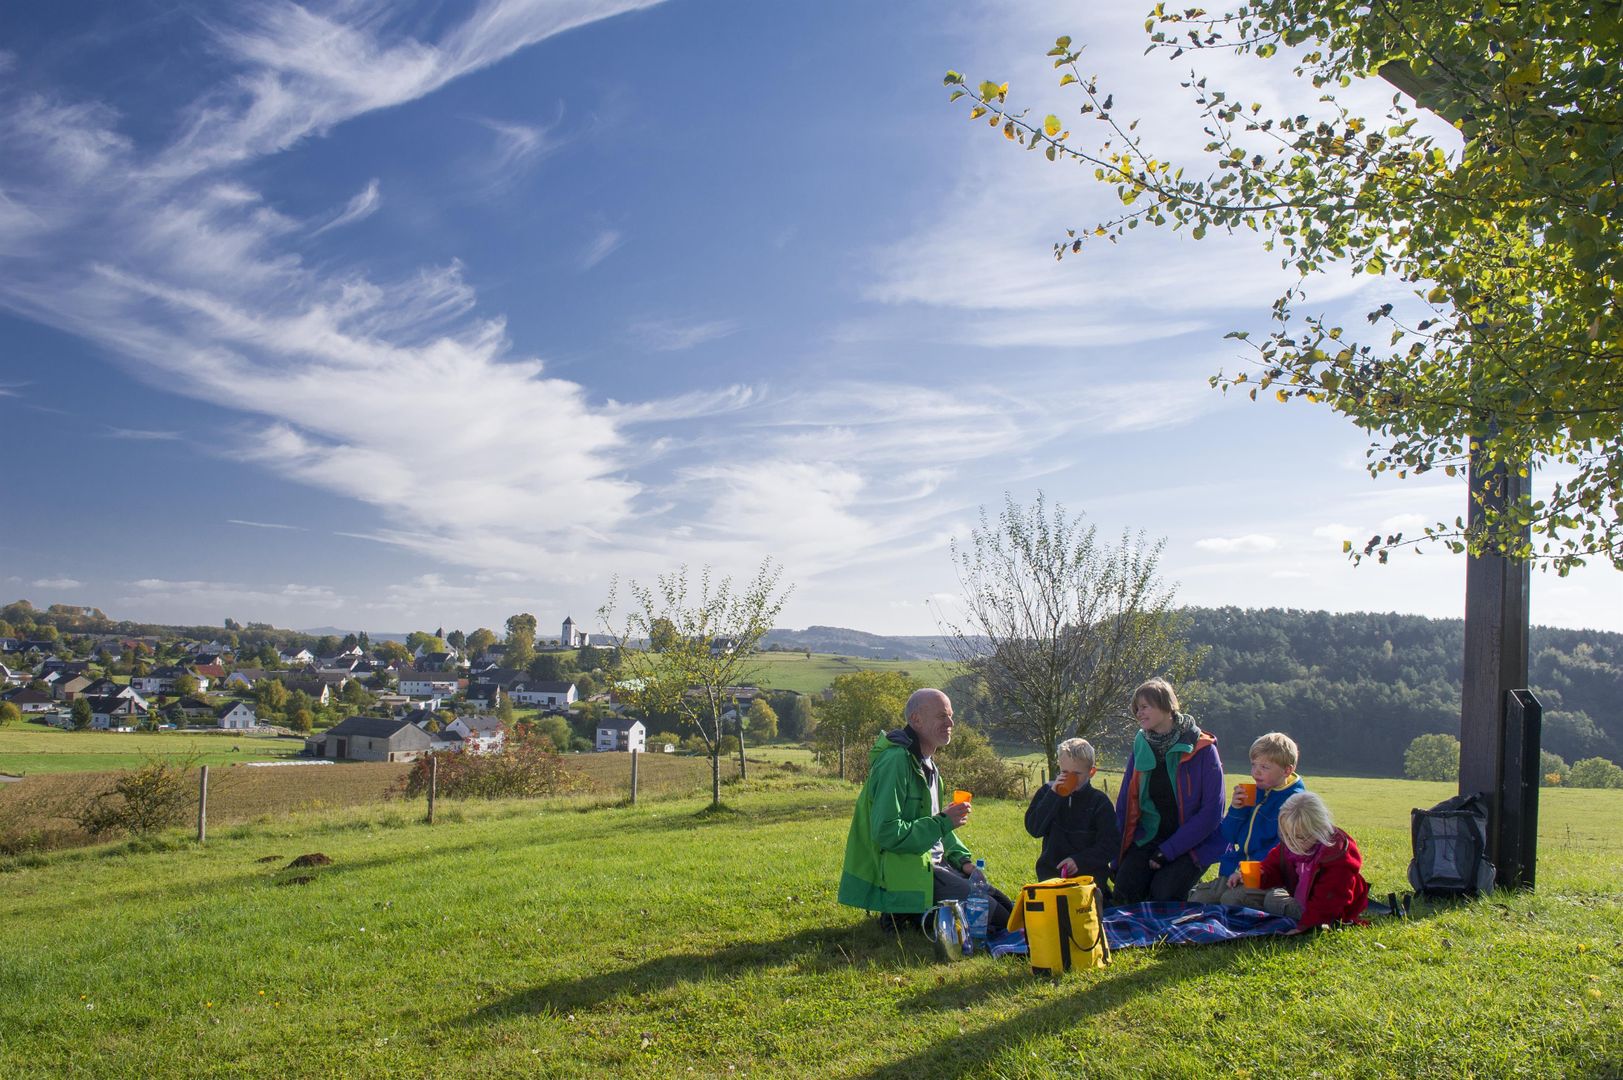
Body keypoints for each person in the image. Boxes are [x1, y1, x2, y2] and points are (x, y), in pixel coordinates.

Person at [837, 688, 1013, 931]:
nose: (950, 723)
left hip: (936, 865)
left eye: (951, 716)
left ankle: (918, 914)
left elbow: (937, 829)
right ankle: (903, 912)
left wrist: (962, 860)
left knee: (1007, 907)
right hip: (910, 872)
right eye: (942, 716)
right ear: (916, 720)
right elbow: (887, 832)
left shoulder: (929, 765)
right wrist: (943, 821)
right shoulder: (896, 761)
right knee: (994, 917)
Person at [1112, 678, 1224, 904]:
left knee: (1163, 895)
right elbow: (1126, 803)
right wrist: (1117, 857)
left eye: (1144, 706)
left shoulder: (1203, 749)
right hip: (1149, 838)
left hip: (1193, 843)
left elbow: (1212, 812)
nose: (1139, 713)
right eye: (1136, 709)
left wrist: (1169, 851)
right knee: (1125, 892)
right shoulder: (1140, 746)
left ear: (1166, 705)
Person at [1188, 732, 1307, 906]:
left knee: (1231, 900)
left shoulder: (1294, 803)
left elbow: (1282, 851)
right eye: (1253, 764)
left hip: (1267, 874)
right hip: (1236, 867)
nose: (1256, 771)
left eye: (1265, 767)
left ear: (1287, 770)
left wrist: (1249, 871)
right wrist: (1236, 809)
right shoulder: (1255, 791)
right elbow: (1229, 835)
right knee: (1199, 899)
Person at [1252, 791, 1371, 932]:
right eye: (1286, 836)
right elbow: (1274, 865)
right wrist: (1260, 874)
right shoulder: (1293, 845)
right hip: (1301, 900)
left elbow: (1328, 903)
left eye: (1300, 837)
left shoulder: (1336, 855)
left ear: (1319, 830)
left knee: (1272, 900)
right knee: (1241, 895)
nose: (1292, 843)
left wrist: (1305, 927)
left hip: (1327, 912)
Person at [1024, 736, 1120, 899]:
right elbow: (1034, 828)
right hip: (1051, 876)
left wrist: (1080, 861)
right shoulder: (1047, 793)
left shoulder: (1099, 802)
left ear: (1091, 772)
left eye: (1077, 773)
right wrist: (1053, 795)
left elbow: (1111, 844)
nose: (1070, 778)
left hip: (1089, 880)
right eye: (1064, 772)